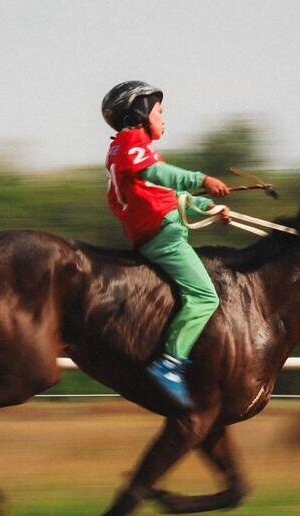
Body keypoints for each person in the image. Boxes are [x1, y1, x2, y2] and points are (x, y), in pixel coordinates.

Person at [101, 80, 230, 408]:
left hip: (158, 233)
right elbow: (161, 176)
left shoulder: (129, 147)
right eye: (159, 111)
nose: (164, 117)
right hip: (164, 239)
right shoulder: (132, 142)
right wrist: (202, 179)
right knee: (204, 296)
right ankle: (170, 364)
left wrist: (212, 208)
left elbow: (169, 195)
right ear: (140, 113)